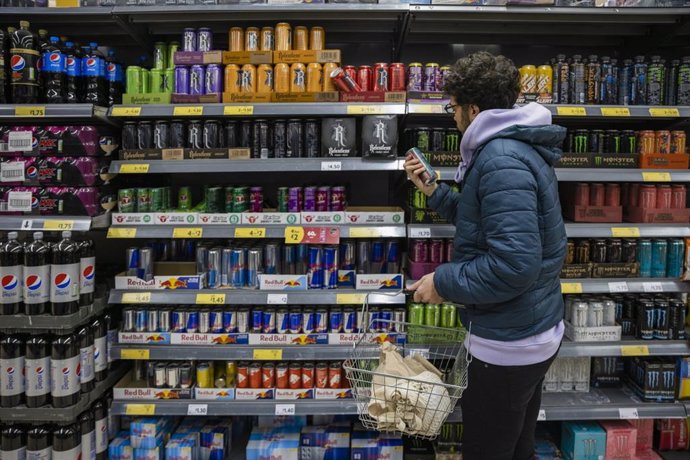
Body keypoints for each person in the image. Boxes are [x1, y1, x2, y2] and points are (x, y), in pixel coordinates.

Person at [404, 51, 567, 460]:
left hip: (510, 345)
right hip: (527, 331)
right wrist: (436, 192)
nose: (452, 115)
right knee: (517, 447)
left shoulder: (499, 159)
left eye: (453, 106)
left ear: (473, 109)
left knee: (487, 450)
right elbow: (487, 221)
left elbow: (514, 264)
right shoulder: (509, 148)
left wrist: (442, 282)